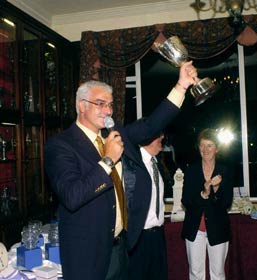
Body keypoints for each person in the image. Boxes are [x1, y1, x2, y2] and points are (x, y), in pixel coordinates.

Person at [44, 60, 197, 280]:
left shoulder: (113, 134)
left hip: (120, 248)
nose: (108, 111)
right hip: (87, 256)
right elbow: (72, 196)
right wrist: (108, 160)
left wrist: (181, 86)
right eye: (100, 103)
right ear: (81, 105)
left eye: (110, 104)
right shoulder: (61, 145)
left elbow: (151, 125)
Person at [181, 128, 234, 280]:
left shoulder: (225, 171)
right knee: (195, 273)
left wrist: (216, 189)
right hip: (194, 229)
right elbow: (186, 201)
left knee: (217, 273)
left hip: (218, 229)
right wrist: (204, 194)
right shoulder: (191, 170)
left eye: (209, 145)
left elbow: (226, 203)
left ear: (217, 149)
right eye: (202, 145)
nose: (205, 149)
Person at [128, 133, 168, 280]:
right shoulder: (132, 165)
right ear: (146, 138)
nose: (162, 138)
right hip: (139, 238)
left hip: (158, 236)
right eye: (158, 135)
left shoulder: (157, 164)